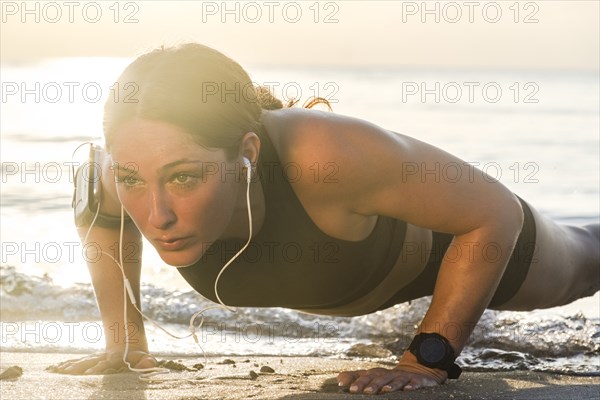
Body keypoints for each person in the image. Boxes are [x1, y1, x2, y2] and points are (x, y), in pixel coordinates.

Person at [54, 43, 599, 394]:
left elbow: (492, 214)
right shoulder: (113, 171)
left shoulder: (324, 156)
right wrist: (125, 343)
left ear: (246, 152)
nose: (157, 214)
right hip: (378, 275)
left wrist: (424, 359)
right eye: (131, 181)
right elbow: (101, 223)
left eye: (185, 178)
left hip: (469, 244)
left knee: (585, 264)